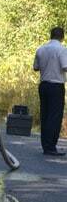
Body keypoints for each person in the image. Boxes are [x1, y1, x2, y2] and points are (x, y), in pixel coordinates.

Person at [33, 26, 67, 156]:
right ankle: (51, 146)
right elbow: (65, 66)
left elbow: (35, 67)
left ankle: (45, 145)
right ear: (62, 37)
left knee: (45, 114)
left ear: (50, 35)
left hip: (44, 85)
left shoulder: (41, 49)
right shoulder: (62, 50)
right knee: (55, 116)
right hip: (56, 85)